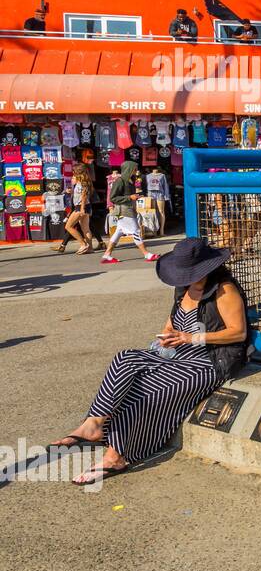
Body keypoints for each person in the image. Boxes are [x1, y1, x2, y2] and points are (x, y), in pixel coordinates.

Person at [50, 238, 249, 484]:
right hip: (178, 354)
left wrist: (190, 337)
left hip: (207, 362)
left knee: (148, 391)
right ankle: (94, 423)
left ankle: (117, 455)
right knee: (125, 358)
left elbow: (237, 332)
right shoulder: (183, 287)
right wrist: (167, 336)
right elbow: (171, 324)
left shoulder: (224, 290)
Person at [102, 160, 159, 264]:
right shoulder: (120, 181)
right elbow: (113, 197)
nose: (136, 170)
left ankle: (107, 254)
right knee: (136, 231)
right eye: (134, 168)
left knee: (118, 232)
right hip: (124, 210)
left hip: (129, 209)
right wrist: (130, 197)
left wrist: (135, 196)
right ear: (129, 169)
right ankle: (146, 254)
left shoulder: (130, 180)